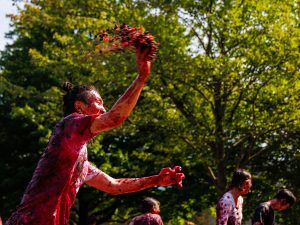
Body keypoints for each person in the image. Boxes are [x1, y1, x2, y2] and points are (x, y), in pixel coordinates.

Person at [5, 47, 185, 225]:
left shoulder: (80, 161)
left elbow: (114, 186)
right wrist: (141, 78)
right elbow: (114, 118)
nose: (103, 108)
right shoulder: (69, 125)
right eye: (98, 102)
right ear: (79, 106)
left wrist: (157, 180)